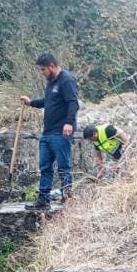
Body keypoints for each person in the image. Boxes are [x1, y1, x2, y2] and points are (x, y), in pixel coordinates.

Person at [20, 52, 79, 210]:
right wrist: (31, 102)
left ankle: (67, 199)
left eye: (43, 69)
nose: (42, 73)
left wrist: (69, 123)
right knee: (45, 167)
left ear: (52, 66)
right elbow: (47, 102)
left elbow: (73, 103)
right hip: (47, 133)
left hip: (61, 133)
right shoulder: (51, 82)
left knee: (63, 167)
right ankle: (43, 201)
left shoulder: (67, 80)